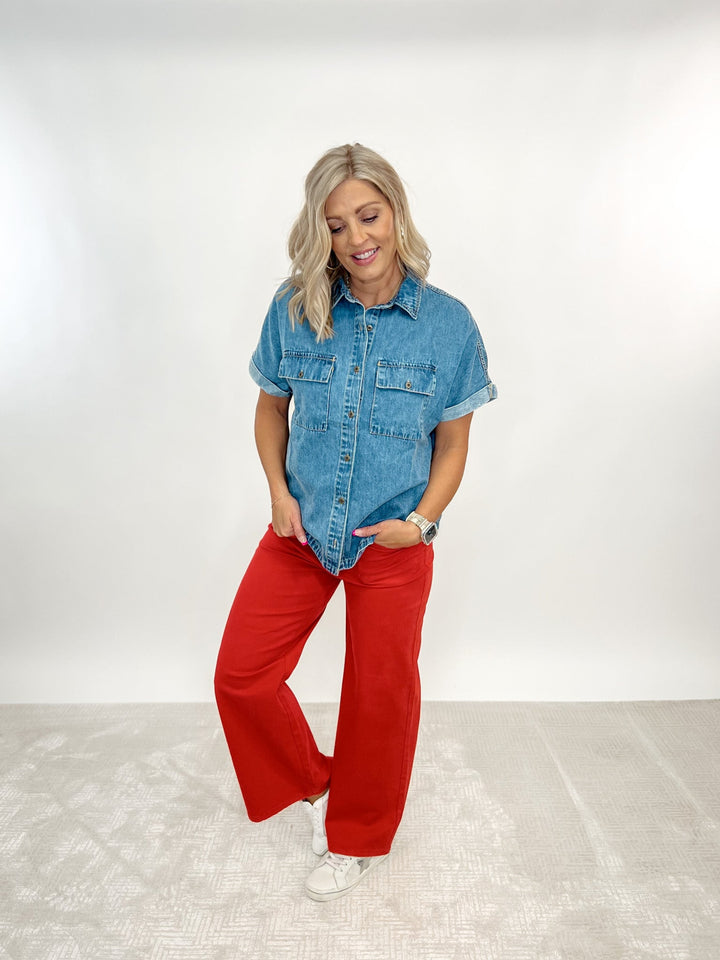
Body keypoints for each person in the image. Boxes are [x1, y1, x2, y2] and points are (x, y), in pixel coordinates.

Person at [214, 143, 497, 902]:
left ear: (396, 211)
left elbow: (454, 442)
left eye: (368, 216)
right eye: (335, 226)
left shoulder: (448, 325)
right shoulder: (294, 306)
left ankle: (358, 837)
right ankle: (319, 785)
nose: (355, 238)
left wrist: (423, 523)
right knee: (241, 676)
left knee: (379, 695)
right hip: (301, 529)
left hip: (392, 539)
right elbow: (270, 408)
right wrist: (278, 493)